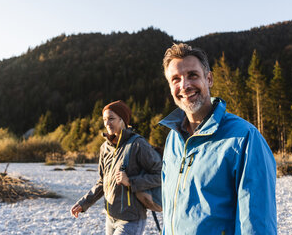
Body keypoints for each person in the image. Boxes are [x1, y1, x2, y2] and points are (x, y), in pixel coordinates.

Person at [159, 43, 277, 234]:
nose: (184, 85)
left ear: (209, 79)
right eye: (175, 79)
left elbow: (257, 224)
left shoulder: (245, 138)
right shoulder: (173, 139)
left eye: (192, 75)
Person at [70, 100, 162, 235]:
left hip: (132, 219)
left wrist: (130, 182)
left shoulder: (138, 144)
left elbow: (161, 175)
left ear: (122, 120)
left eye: (111, 119)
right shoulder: (104, 148)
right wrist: (84, 203)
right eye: (104, 119)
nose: (107, 123)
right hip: (110, 217)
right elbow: (102, 182)